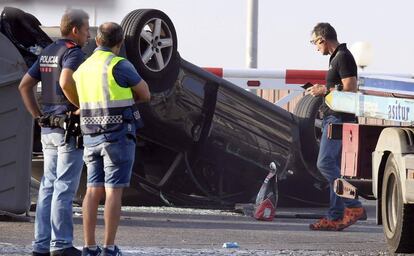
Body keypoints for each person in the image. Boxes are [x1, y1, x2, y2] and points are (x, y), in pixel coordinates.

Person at [69, 22, 150, 256]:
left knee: (92, 190)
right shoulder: (119, 64)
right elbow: (145, 94)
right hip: (117, 136)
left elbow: (76, 92)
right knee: (113, 191)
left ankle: (89, 247)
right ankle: (109, 248)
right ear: (120, 43)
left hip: (90, 136)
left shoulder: (83, 68)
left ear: (97, 41)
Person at [18, 9, 90, 256]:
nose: (88, 34)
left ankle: (41, 245)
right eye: (86, 29)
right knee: (64, 187)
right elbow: (65, 81)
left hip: (48, 127)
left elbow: (24, 85)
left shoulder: (48, 52)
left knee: (48, 186)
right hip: (68, 129)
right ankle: (61, 245)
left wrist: (38, 116)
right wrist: (82, 106)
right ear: (75, 30)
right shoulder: (73, 52)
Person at [307, 22, 366, 231]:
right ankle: (335, 215)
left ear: (323, 38)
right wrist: (325, 90)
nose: (315, 47)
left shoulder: (343, 56)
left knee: (324, 164)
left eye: (314, 42)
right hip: (335, 118)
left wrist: (324, 90)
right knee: (334, 168)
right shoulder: (336, 58)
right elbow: (341, 87)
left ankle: (354, 205)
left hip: (339, 119)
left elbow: (350, 87)